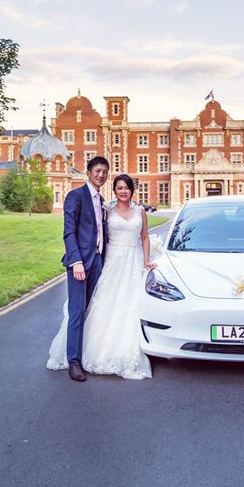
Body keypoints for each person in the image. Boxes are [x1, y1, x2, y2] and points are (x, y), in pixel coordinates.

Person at [47, 173, 156, 380]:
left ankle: (130, 348)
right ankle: (82, 354)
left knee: (130, 305)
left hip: (133, 260)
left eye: (127, 187)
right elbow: (94, 232)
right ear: (114, 190)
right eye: (119, 188)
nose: (123, 191)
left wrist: (147, 260)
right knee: (103, 304)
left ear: (132, 189)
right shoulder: (107, 210)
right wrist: (78, 259)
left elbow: (144, 237)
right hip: (112, 261)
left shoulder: (140, 211)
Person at [56, 156, 109, 382]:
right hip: (79, 263)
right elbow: (69, 231)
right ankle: (74, 362)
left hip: (98, 261)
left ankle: (88, 354)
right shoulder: (75, 196)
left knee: (92, 310)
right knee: (77, 311)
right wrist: (75, 261)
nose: (101, 175)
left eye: (105, 172)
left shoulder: (102, 200)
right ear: (88, 173)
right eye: (97, 170)